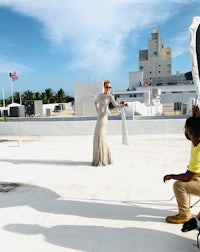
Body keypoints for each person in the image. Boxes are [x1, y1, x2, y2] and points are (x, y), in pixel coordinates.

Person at [163, 116, 200, 224]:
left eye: (186, 129)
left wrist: (171, 176)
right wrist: (196, 115)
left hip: (194, 176)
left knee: (179, 185)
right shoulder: (197, 141)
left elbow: (187, 177)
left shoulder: (197, 154)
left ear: (189, 131)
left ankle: (184, 215)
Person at [92, 80, 128, 167]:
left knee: (102, 137)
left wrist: (123, 105)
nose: (108, 89)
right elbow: (95, 102)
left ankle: (103, 159)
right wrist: (97, 110)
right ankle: (98, 158)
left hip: (104, 119)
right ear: (104, 87)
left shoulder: (110, 96)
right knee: (98, 136)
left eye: (110, 87)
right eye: (107, 87)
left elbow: (116, 105)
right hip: (99, 118)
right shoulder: (100, 96)